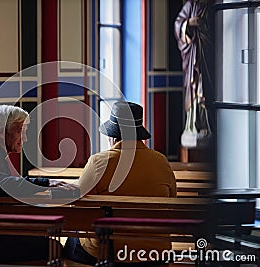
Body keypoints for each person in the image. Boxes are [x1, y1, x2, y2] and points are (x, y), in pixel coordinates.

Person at [0, 104, 74, 263]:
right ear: (1, 132)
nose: (25, 138)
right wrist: (46, 182)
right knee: (55, 248)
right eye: (20, 131)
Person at [64, 101, 177, 265]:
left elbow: (79, 208)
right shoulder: (162, 162)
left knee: (71, 242)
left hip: (108, 252)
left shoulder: (99, 162)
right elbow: (172, 203)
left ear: (113, 137)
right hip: (155, 252)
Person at [174, 0, 213, 148]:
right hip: (193, 56)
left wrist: (203, 26)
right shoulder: (190, 5)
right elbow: (178, 24)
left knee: (206, 90)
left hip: (206, 57)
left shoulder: (210, 5)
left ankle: (207, 126)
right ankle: (193, 126)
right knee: (194, 88)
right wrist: (189, 23)